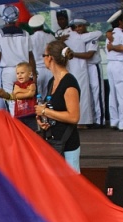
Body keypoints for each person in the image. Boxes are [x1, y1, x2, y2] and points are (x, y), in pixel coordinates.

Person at [34, 40, 81, 172]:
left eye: (44, 55)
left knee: (71, 185)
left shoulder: (69, 83)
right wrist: (43, 120)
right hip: (53, 140)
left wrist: (45, 111)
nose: (43, 59)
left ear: (50, 58)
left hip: (68, 143)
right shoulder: (52, 81)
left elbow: (73, 117)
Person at [0, 5, 35, 114]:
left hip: (8, 71)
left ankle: (16, 125)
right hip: (24, 70)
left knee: (11, 100)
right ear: (17, 17)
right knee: (25, 99)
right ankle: (26, 125)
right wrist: (33, 73)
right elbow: (30, 56)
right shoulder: (25, 34)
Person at [105, 10, 123, 131]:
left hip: (110, 65)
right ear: (120, 21)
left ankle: (114, 120)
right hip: (120, 65)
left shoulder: (110, 35)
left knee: (113, 95)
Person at [28, 14, 55, 99]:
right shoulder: (50, 37)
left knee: (38, 97)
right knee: (49, 95)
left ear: (32, 27)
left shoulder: (30, 38)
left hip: (37, 70)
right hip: (49, 69)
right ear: (43, 25)